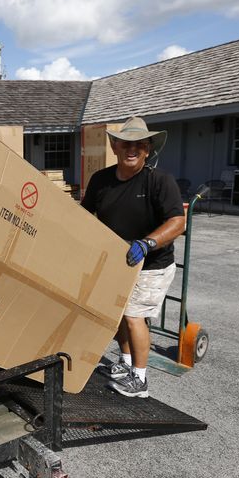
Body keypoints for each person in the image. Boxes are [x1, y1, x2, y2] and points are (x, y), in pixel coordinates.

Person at [81, 116, 185, 398]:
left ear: (148, 150)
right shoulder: (101, 180)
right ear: (114, 146)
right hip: (117, 261)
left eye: (139, 145)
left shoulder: (159, 181)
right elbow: (85, 215)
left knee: (133, 315)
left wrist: (148, 242)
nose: (132, 149)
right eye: (126, 143)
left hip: (151, 263)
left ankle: (140, 380)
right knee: (117, 315)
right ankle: (125, 363)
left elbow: (178, 221)